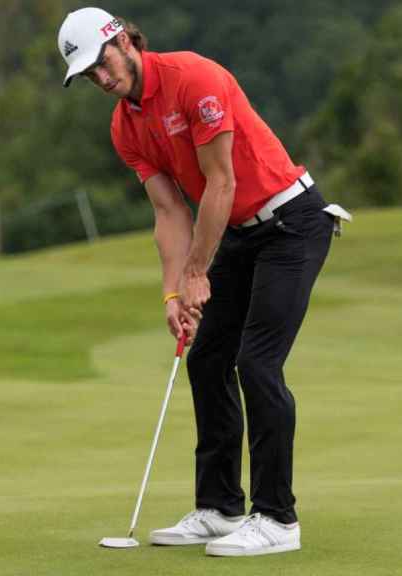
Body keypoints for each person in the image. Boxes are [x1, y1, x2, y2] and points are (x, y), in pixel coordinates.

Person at [57, 7, 350, 557]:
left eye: (102, 62)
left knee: (257, 362)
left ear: (123, 40)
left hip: (291, 222)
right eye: (89, 75)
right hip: (237, 233)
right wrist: (175, 290)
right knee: (207, 357)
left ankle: (277, 519)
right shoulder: (126, 126)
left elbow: (220, 182)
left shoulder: (195, 78)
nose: (101, 78)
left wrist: (198, 273)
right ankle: (219, 508)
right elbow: (170, 213)